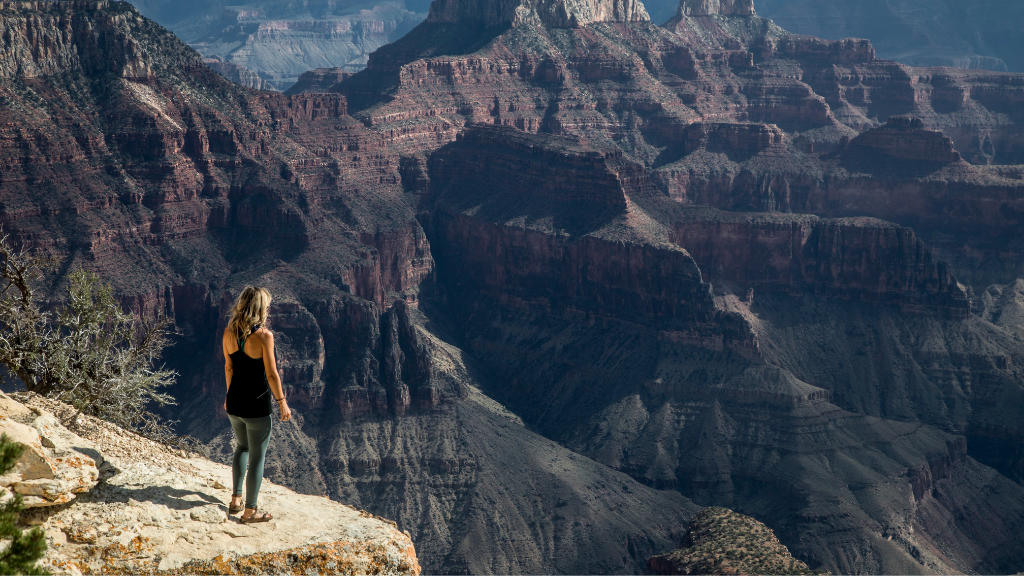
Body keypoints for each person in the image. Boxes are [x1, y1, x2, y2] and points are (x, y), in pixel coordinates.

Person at [222, 286, 292, 523]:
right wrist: (282, 403)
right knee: (257, 458)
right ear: (260, 309)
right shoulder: (264, 336)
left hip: (234, 404)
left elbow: (229, 367)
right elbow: (271, 375)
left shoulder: (228, 333)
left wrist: (227, 395)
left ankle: (235, 501)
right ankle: (250, 512)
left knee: (242, 448)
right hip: (256, 407)